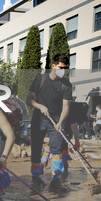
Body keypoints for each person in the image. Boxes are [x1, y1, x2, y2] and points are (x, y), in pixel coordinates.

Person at [26, 53, 72, 191]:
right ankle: (35, 177)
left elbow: (66, 107)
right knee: (36, 149)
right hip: (39, 119)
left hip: (57, 120)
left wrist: (60, 122)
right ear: (53, 66)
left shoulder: (66, 85)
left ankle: (56, 179)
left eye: (65, 68)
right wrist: (40, 106)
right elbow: (29, 100)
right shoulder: (40, 80)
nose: (62, 70)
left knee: (56, 150)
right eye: (60, 67)